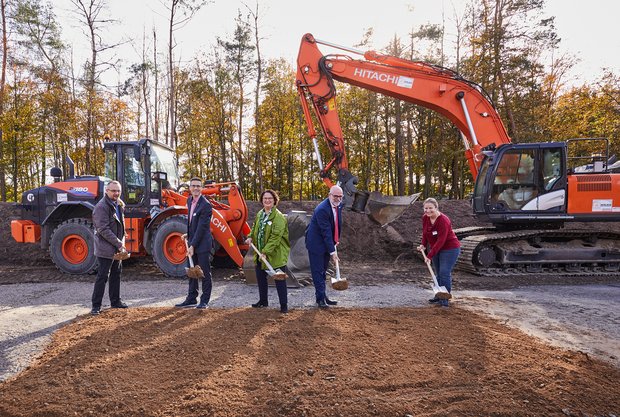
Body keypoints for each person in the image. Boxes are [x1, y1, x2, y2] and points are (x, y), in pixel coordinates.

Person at [245, 189, 290, 313]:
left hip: (275, 254)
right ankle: (263, 301)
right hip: (260, 253)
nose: (267, 200)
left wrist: (265, 251)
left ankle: (284, 306)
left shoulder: (279, 217)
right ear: (262, 200)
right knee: (261, 277)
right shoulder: (260, 214)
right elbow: (255, 228)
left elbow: (276, 237)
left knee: (279, 279)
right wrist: (250, 236)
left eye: (270, 198)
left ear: (275, 200)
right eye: (265, 198)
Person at [91, 180, 129, 315]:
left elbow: (120, 224)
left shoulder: (118, 204)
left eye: (118, 190)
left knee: (116, 274)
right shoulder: (102, 207)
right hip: (105, 247)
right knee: (102, 276)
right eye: (113, 191)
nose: (116, 193)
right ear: (106, 191)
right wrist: (119, 243)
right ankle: (96, 306)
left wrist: (122, 239)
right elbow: (103, 229)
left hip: (117, 247)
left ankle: (115, 301)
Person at [175, 177, 213, 309]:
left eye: (198, 186)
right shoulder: (189, 200)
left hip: (202, 244)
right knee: (192, 271)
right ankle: (191, 298)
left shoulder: (206, 205)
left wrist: (192, 245)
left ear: (201, 188)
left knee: (203, 272)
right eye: (193, 186)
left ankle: (204, 300)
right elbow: (192, 223)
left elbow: (202, 227)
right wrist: (188, 234)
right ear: (190, 188)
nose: (196, 188)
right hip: (193, 241)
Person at [417, 197, 461, 307]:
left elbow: (441, 240)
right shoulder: (425, 218)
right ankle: (438, 296)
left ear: (436, 208)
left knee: (444, 273)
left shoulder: (443, 220)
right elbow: (425, 233)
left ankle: (445, 299)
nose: (428, 210)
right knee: (438, 274)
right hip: (436, 248)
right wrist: (423, 244)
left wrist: (430, 255)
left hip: (449, 249)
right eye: (426, 208)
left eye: (430, 208)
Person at [305, 185, 343, 308]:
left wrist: (335, 240)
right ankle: (320, 300)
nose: (337, 198)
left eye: (340, 196)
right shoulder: (322, 209)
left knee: (323, 271)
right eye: (335, 196)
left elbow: (337, 223)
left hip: (327, 242)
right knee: (318, 272)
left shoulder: (338, 205)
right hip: (316, 244)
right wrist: (333, 252)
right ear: (329, 195)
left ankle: (323, 297)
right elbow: (325, 231)